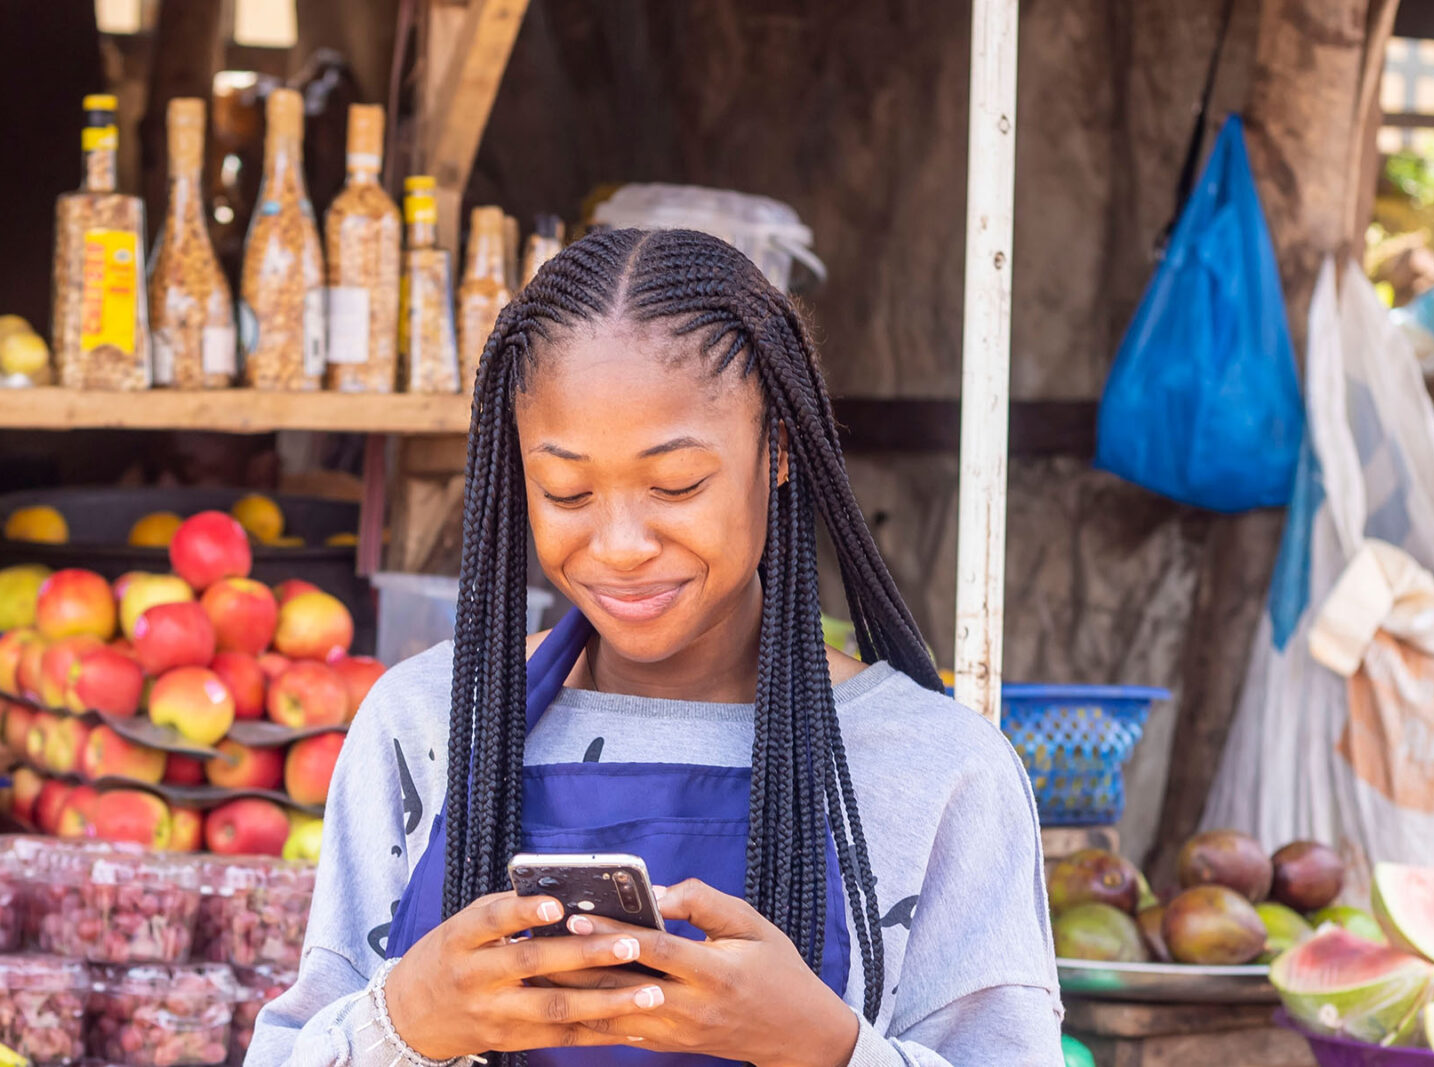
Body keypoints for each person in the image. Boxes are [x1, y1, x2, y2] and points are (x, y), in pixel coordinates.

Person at [245, 228, 1061, 1067]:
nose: (622, 543)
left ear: (778, 447)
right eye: (567, 490)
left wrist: (826, 1047)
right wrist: (406, 1020)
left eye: (677, 485)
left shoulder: (936, 768)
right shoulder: (424, 724)